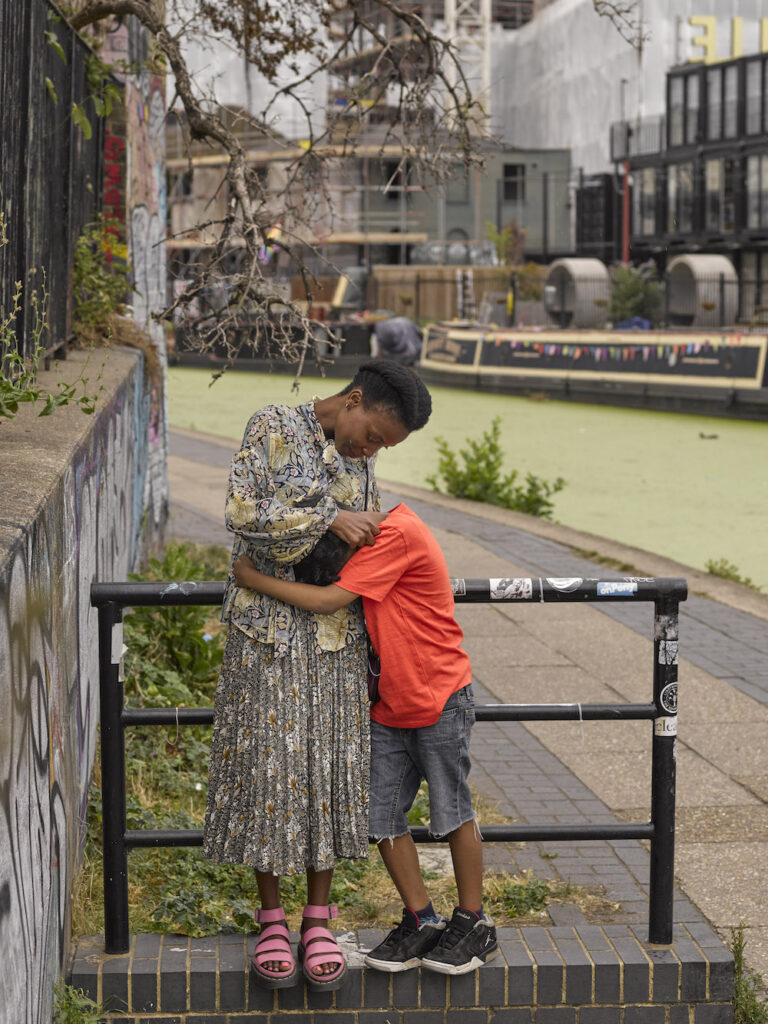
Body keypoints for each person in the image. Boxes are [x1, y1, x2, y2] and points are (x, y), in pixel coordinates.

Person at [202, 362, 432, 992]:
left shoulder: (359, 459)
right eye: (374, 436)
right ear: (354, 400)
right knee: (270, 766)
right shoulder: (273, 425)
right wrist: (331, 518)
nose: (372, 450)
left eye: (384, 447)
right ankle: (271, 914)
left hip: (334, 636)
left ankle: (318, 918)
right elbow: (241, 510)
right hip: (267, 635)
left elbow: (365, 543)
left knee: (328, 768)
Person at [232, 502, 499, 977]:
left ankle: (474, 921)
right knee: (379, 812)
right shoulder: (373, 533)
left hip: (438, 696)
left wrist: (252, 578)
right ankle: (421, 918)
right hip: (391, 704)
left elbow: (327, 600)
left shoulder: (394, 535)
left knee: (452, 809)